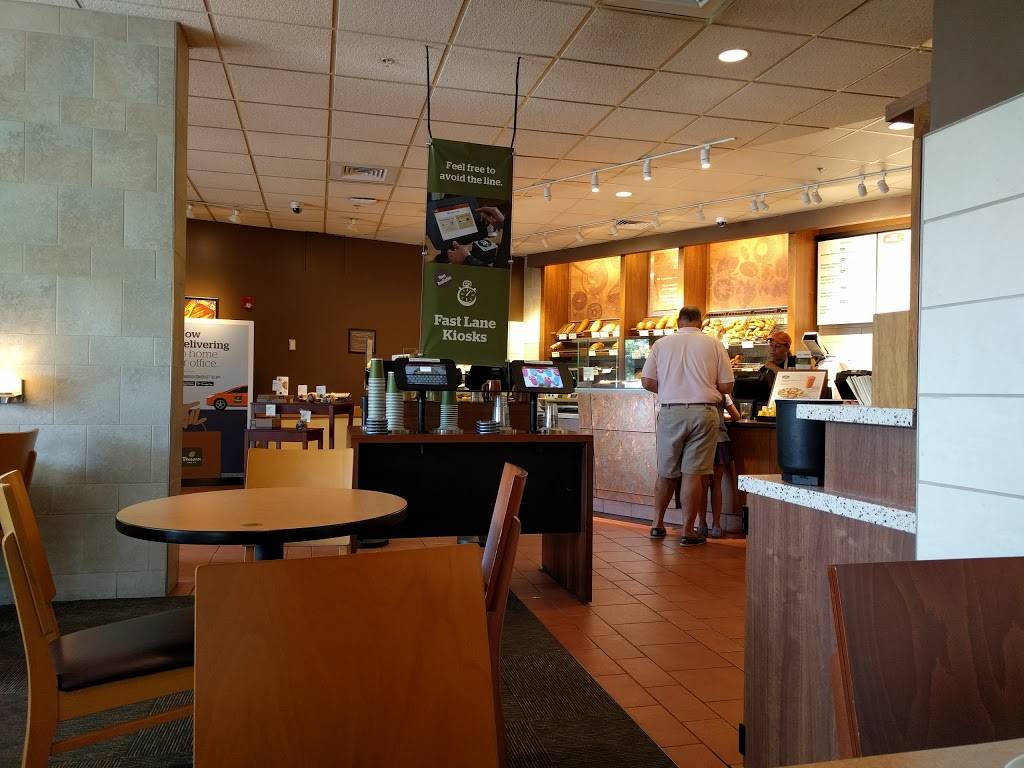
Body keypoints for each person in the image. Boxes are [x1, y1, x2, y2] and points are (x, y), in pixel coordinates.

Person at [641, 306, 734, 546]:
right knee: (693, 473)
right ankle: (687, 531)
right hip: (704, 412)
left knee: (666, 471)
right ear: (700, 323)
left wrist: (669, 388)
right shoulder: (714, 344)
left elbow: (647, 381)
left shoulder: (661, 344)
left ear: (678, 322)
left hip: (670, 412)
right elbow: (727, 386)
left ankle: (657, 525)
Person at [699, 393, 741, 539]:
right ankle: (716, 526)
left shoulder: (699, 390)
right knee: (716, 485)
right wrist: (723, 418)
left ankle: (702, 525)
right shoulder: (723, 394)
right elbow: (736, 416)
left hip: (701, 442)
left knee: (702, 486)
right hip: (720, 440)